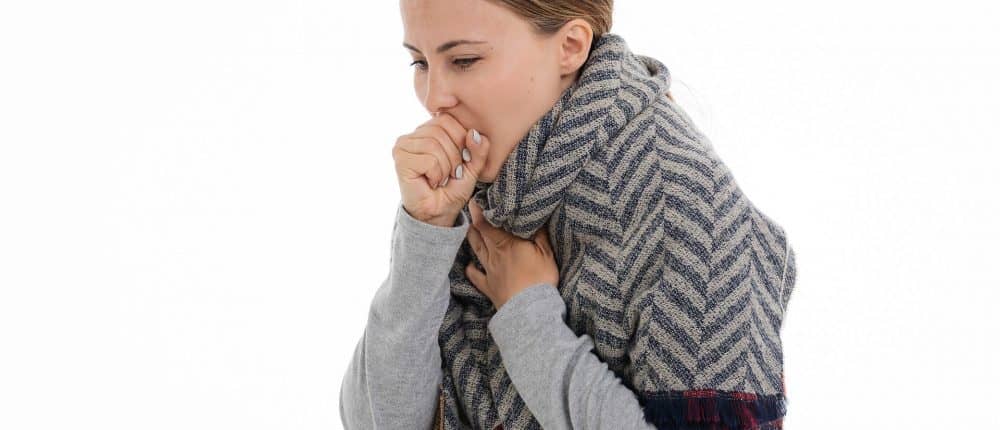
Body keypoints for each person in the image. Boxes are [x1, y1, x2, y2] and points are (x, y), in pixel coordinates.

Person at [340, 1, 797, 429]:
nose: (433, 98)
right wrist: (425, 231)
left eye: (464, 61)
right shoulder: (489, 182)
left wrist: (527, 315)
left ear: (571, 46)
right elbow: (375, 418)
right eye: (419, 63)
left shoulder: (688, 209)